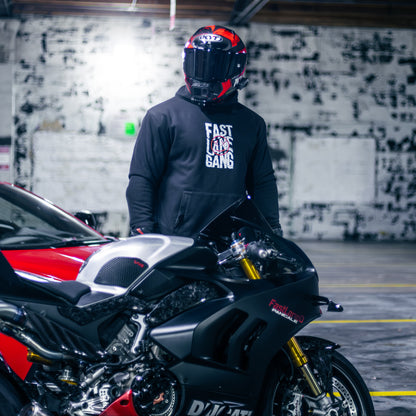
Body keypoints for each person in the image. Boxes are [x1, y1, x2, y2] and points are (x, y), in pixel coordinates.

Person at [126, 25, 282, 238]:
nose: (206, 72)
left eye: (216, 64)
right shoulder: (161, 117)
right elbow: (142, 178)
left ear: (236, 68)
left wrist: (272, 230)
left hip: (231, 243)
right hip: (174, 240)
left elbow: (262, 183)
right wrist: (142, 229)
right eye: (199, 62)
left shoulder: (252, 124)